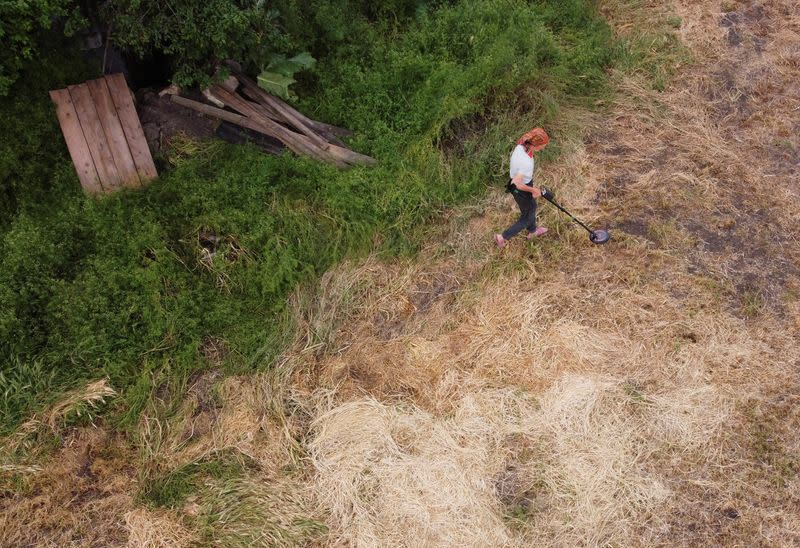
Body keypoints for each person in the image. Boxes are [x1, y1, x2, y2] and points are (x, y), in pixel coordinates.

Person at [494, 128, 549, 248]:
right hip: (520, 189)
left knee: (530, 208)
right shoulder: (526, 163)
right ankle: (502, 237)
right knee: (527, 217)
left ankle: (533, 231)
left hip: (520, 185)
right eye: (542, 146)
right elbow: (516, 183)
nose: (543, 148)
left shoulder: (522, 145)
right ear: (535, 144)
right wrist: (533, 190)